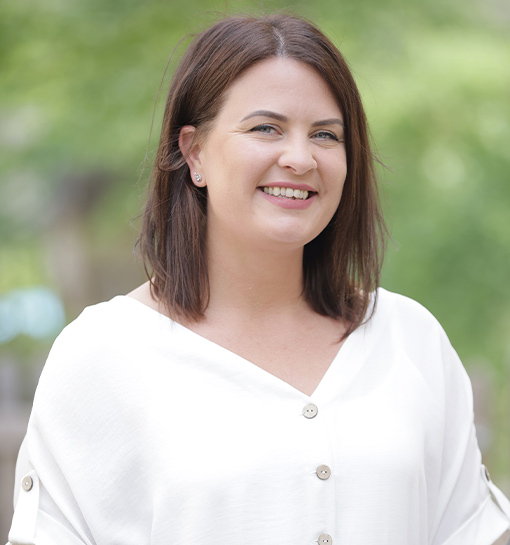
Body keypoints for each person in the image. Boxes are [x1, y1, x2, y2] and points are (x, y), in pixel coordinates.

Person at [7, 13, 510, 545]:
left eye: (325, 135)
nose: (299, 158)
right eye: (265, 128)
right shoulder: (103, 353)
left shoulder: (411, 339)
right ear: (194, 152)